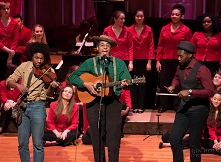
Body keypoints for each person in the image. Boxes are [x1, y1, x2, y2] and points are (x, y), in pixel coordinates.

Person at [69, 35, 131, 162]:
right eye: (102, 45)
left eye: (108, 46)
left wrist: (126, 82)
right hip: (93, 103)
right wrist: (85, 84)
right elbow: (73, 77)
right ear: (97, 48)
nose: (105, 48)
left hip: (113, 103)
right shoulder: (89, 63)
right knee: (96, 138)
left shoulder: (118, 63)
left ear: (110, 49)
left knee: (114, 138)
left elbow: (127, 78)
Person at [6, 42, 59, 162]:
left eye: (41, 58)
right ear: (32, 56)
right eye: (36, 58)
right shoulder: (24, 66)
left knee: (38, 144)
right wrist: (18, 86)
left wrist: (52, 86)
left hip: (38, 107)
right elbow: (9, 81)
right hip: (23, 107)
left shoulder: (48, 71)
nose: (39, 61)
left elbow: (49, 95)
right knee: (22, 143)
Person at [166, 41, 214, 162]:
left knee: (194, 142)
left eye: (181, 56)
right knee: (174, 139)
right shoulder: (180, 66)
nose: (178, 58)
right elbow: (177, 77)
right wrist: (173, 86)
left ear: (190, 55)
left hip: (199, 109)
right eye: (177, 55)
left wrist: (190, 91)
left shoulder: (202, 69)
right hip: (184, 107)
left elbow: (210, 91)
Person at [156, 4, 192, 113]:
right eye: (172, 14)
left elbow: (189, 47)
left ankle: (177, 105)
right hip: (166, 60)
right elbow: (160, 46)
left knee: (178, 83)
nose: (174, 16)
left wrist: (188, 62)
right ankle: (163, 105)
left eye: (177, 14)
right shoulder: (164, 29)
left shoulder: (186, 30)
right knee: (164, 82)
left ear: (181, 16)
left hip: (179, 61)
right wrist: (158, 61)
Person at [128, 8, 154, 113]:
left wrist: (149, 62)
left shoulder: (148, 29)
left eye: (141, 16)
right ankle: (134, 105)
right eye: (137, 16)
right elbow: (129, 46)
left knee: (142, 83)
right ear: (134, 17)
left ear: (144, 17)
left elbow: (151, 46)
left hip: (144, 60)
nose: (139, 18)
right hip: (133, 60)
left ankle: (141, 106)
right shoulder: (129, 29)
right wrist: (130, 62)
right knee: (133, 83)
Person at [0, 0, 19, 80]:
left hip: (12, 54)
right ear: (0, 10)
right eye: (4, 9)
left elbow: (16, 39)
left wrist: (10, 55)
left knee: (12, 77)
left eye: (8, 8)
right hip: (1, 52)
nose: (7, 11)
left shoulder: (14, 23)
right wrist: (8, 50)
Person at [0, 64, 20, 133]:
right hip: (8, 104)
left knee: (18, 109)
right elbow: (2, 96)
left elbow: (22, 96)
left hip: (17, 104)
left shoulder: (21, 83)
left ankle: (22, 128)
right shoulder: (2, 83)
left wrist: (15, 103)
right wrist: (8, 101)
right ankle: (1, 127)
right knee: (6, 107)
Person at [201, 90, 221, 156]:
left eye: (219, 100)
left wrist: (220, 143)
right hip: (214, 139)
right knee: (200, 141)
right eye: (214, 99)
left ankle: (206, 151)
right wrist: (215, 141)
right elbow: (211, 129)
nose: (216, 101)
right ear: (211, 99)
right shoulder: (209, 111)